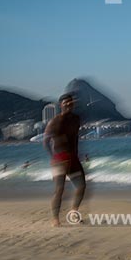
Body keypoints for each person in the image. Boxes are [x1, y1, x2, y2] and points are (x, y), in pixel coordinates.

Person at [43, 93, 85, 227]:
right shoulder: (55, 121)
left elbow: (76, 138)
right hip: (59, 159)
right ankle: (55, 219)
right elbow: (45, 141)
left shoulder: (76, 119)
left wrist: (77, 154)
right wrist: (53, 157)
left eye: (70, 102)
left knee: (81, 186)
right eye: (65, 102)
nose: (68, 104)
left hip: (73, 158)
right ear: (60, 105)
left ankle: (74, 211)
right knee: (59, 189)